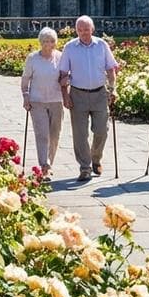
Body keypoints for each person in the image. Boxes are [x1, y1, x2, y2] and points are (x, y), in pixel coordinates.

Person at [58, 15, 119, 182]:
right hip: (78, 94)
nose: (83, 33)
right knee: (80, 134)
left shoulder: (101, 45)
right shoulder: (70, 47)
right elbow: (63, 74)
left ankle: (96, 158)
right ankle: (84, 167)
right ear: (76, 30)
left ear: (92, 29)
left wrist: (113, 89)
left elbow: (111, 69)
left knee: (102, 130)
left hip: (99, 93)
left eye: (86, 29)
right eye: (80, 30)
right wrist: (65, 95)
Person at [21, 27, 64, 177]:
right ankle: (44, 165)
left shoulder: (60, 57)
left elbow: (67, 75)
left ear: (55, 43)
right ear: (40, 42)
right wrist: (26, 96)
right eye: (45, 41)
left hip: (56, 100)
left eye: (51, 41)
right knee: (42, 134)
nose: (48, 44)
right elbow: (25, 78)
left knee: (54, 134)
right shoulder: (32, 58)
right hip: (37, 101)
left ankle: (50, 162)